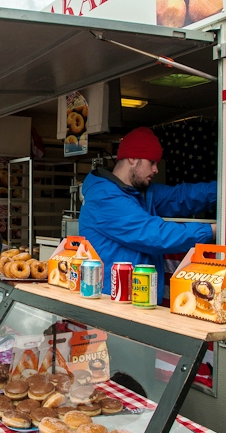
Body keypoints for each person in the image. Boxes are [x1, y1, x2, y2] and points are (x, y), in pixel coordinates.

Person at [79, 127, 217, 303]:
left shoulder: (139, 193)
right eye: (152, 162)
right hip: (112, 305)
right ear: (132, 158)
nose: (156, 170)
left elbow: (183, 197)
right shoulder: (105, 197)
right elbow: (155, 235)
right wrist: (212, 230)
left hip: (136, 301)